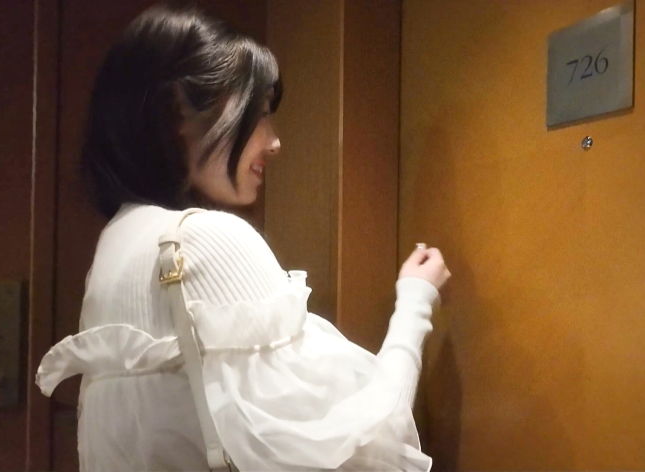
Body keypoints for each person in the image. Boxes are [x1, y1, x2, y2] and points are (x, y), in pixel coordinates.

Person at [35, 4, 450, 471]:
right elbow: (370, 445)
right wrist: (415, 302)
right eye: (259, 114)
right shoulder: (204, 239)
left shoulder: (115, 248)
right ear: (179, 110)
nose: (273, 142)